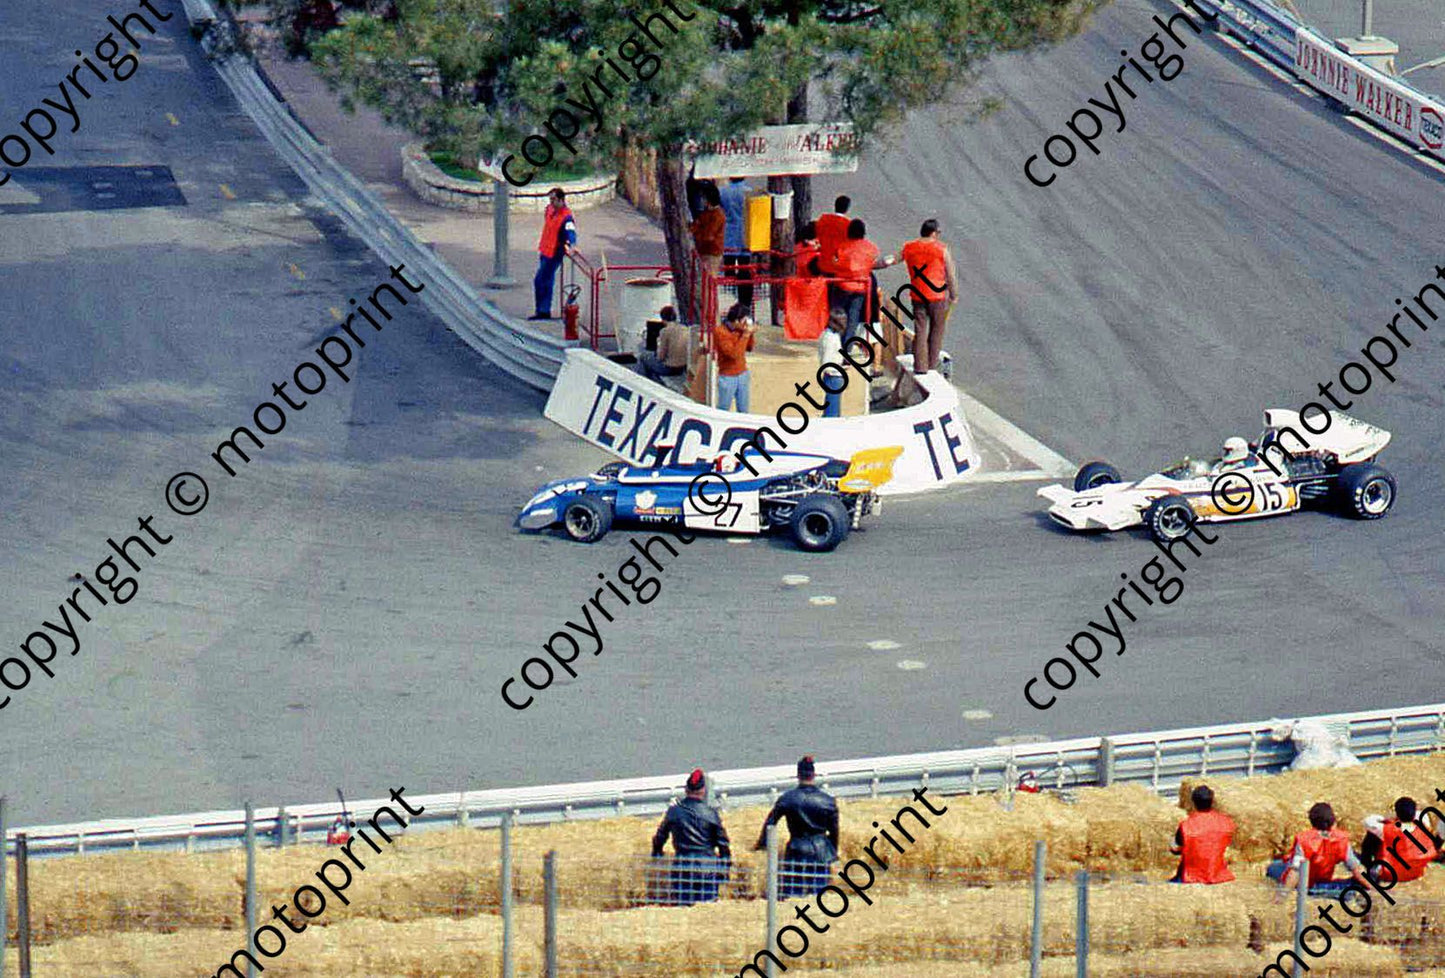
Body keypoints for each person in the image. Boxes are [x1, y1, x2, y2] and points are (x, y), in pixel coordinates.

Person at [754, 755, 839, 898]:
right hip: (821, 850)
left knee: (793, 893)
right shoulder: (827, 801)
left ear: (798, 775)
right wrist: (832, 850)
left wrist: (762, 844)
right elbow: (834, 830)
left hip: (797, 849)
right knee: (820, 895)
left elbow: (770, 823)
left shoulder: (788, 799)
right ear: (813, 775)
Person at [651, 768, 732, 906]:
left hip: (682, 868)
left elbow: (660, 837)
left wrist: (657, 853)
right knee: (707, 910)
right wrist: (725, 869)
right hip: (707, 869)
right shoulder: (711, 814)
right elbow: (723, 844)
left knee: (683, 911)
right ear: (703, 791)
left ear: (686, 790)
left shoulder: (674, 812)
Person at [1266, 802, 1368, 895]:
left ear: (1311, 821)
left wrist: (1283, 895)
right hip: (1321, 880)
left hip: (1305, 883)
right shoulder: (1341, 839)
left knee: (1272, 867)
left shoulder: (1304, 840)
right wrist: (1374, 889)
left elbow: (1295, 871)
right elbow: (1356, 869)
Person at [899, 218, 958, 374]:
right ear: (933, 233)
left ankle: (920, 366)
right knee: (937, 330)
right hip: (937, 297)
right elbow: (950, 274)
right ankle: (931, 364)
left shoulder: (909, 247)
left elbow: (893, 260)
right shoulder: (941, 249)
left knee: (920, 330)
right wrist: (954, 294)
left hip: (918, 296)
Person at [824, 218, 896, 342]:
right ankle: (847, 349)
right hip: (861, 286)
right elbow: (873, 263)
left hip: (842, 285)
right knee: (853, 318)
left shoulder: (842, 246)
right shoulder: (871, 247)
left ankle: (833, 342)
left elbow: (834, 263)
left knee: (836, 315)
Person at [1361, 796, 1440, 884]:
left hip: (1390, 873)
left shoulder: (1387, 830)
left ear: (1397, 813)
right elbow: (1421, 814)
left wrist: (1387, 819)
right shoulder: (1423, 827)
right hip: (1415, 873)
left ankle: (1367, 865)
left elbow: (1367, 821)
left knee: (1371, 834)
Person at [1170, 784, 1236, 883]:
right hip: (1218, 874)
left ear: (1193, 803)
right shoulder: (1226, 822)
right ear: (1212, 802)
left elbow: (1175, 849)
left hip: (1192, 876)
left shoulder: (1186, 826)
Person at [529, 187, 577, 321]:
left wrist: (571, 245)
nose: (551, 202)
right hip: (545, 250)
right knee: (546, 280)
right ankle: (543, 310)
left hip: (554, 253)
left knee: (541, 280)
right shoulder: (549, 210)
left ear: (561, 200)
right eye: (550, 199)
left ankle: (543, 311)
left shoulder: (566, 216)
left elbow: (571, 232)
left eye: (553, 199)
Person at [784, 222, 829, 341]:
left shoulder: (798, 248)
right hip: (815, 287)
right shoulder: (813, 254)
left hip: (800, 284)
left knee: (802, 314)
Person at [718, 176, 754, 309]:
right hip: (745, 234)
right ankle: (745, 303)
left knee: (728, 271)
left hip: (729, 234)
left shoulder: (722, 192)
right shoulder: (749, 192)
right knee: (745, 269)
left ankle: (730, 297)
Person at [712, 303, 756, 412]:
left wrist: (750, 334)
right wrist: (745, 335)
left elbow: (749, 348)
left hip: (743, 374)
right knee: (723, 409)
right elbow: (733, 354)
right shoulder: (720, 332)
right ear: (736, 321)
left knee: (744, 410)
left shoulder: (740, 330)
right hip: (728, 376)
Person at [641, 305, 689, 383]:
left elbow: (661, 357)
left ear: (662, 319)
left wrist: (658, 345)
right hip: (682, 368)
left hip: (669, 368)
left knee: (643, 357)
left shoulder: (665, 331)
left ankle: (646, 382)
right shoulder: (685, 328)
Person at [689, 183, 726, 280]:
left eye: (703, 198)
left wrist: (697, 233)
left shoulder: (717, 215)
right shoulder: (705, 213)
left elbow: (709, 236)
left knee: (709, 281)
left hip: (712, 253)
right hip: (703, 251)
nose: (702, 200)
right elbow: (696, 226)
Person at [819, 307, 846, 417]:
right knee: (832, 413)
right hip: (833, 377)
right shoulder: (830, 338)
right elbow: (827, 364)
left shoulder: (832, 335)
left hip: (834, 376)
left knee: (833, 409)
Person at [814, 195, 852, 269]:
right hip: (837, 262)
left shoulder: (823, 219)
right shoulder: (848, 225)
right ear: (847, 209)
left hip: (821, 258)